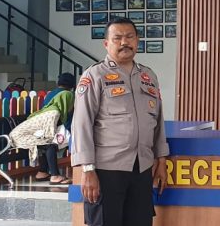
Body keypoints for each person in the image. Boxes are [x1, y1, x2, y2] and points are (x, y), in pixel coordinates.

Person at [71, 17, 169, 226]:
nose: (124, 42)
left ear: (137, 41)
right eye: (117, 38)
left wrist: (161, 160)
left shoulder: (148, 76)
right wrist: (87, 170)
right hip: (106, 170)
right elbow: (81, 124)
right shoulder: (94, 75)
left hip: (142, 169)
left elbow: (158, 121)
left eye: (129, 37)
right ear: (106, 43)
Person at [35, 72, 76, 184]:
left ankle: (42, 172)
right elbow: (68, 114)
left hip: (43, 126)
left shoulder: (50, 94)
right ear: (72, 84)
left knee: (47, 143)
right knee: (52, 144)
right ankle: (55, 175)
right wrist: (71, 129)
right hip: (57, 126)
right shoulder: (68, 95)